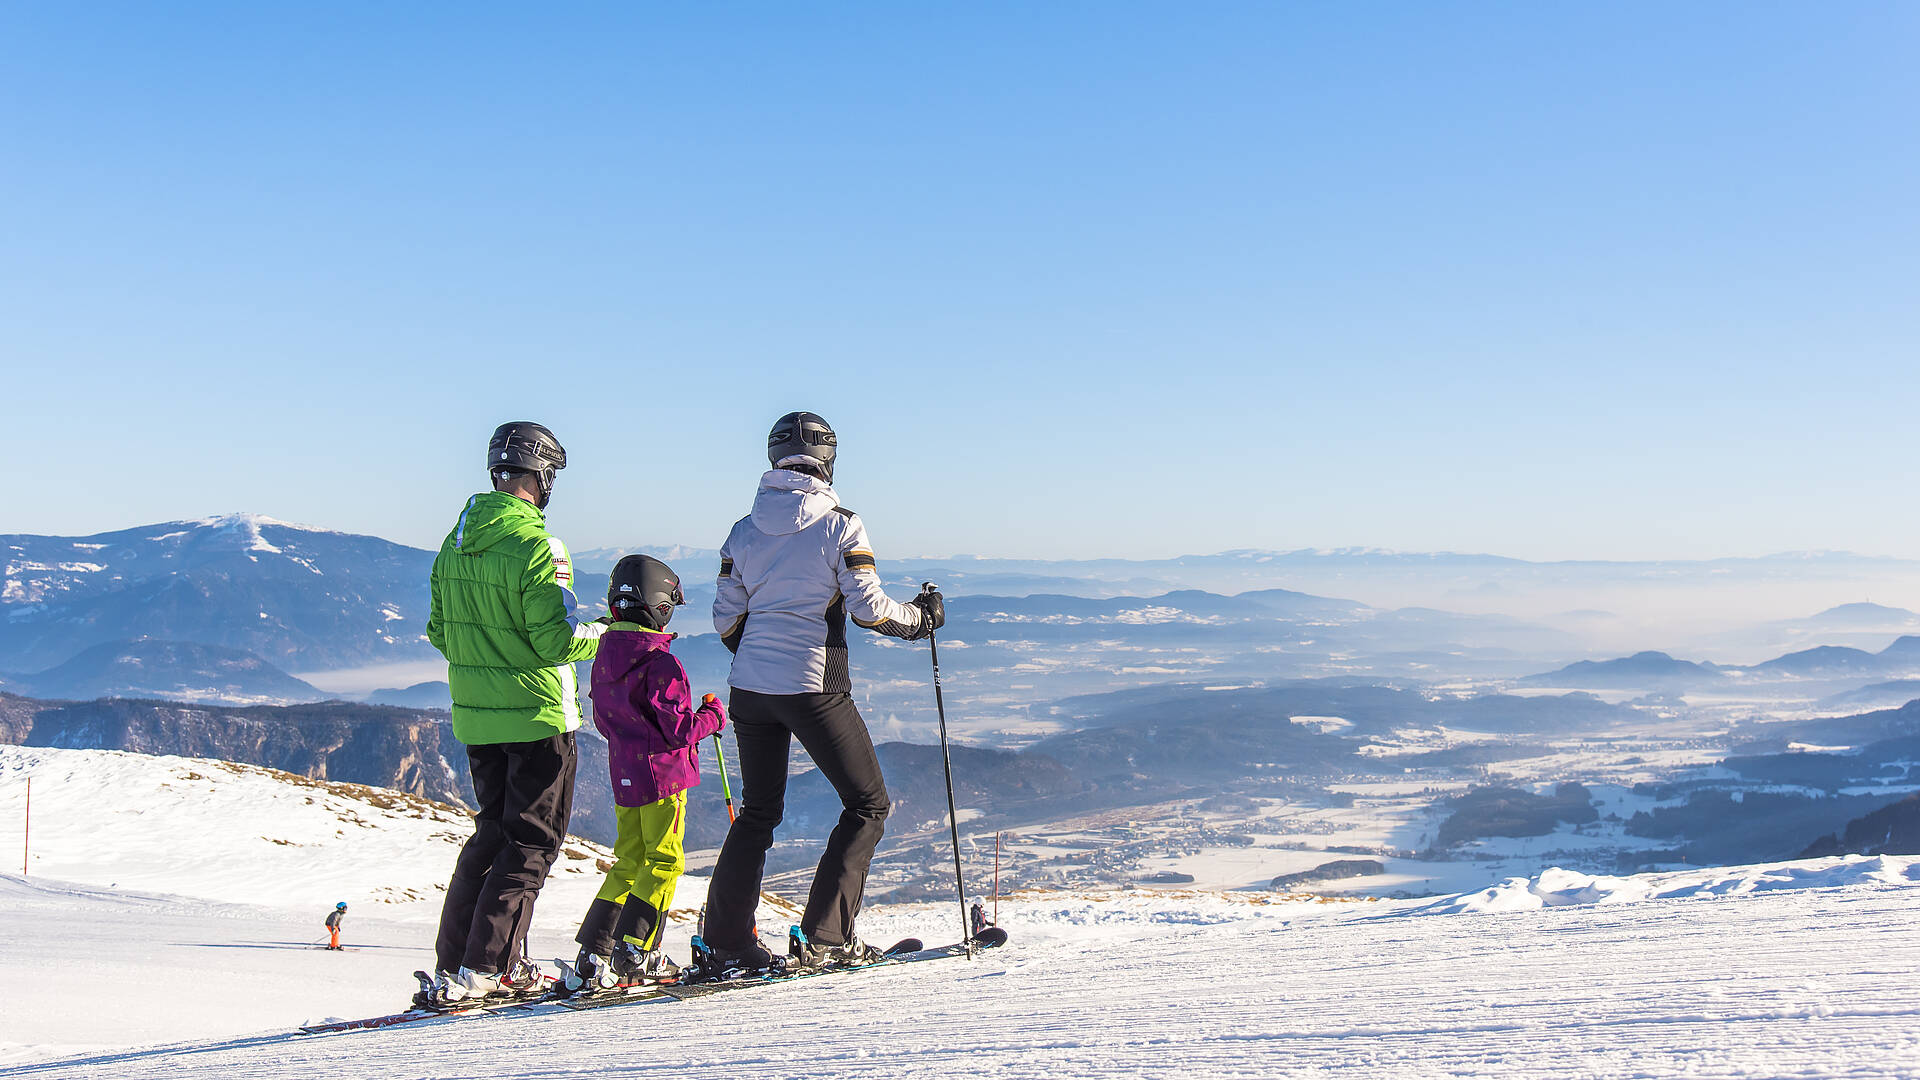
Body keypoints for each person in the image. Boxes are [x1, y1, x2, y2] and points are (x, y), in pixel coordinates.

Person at [703, 411, 945, 972]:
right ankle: (826, 938)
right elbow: (866, 610)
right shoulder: (842, 524)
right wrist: (922, 620)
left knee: (758, 813)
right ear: (828, 460)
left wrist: (757, 650)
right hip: (814, 684)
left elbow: (723, 619)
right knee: (868, 805)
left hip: (750, 690)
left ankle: (726, 941)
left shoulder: (742, 531)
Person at [424, 421, 605, 1003]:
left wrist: (486, 660)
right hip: (537, 718)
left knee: (489, 836)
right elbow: (555, 641)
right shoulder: (538, 546)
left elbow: (438, 630)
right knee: (530, 845)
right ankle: (491, 968)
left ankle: (457, 963)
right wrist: (601, 632)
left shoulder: (455, 543)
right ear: (542, 473)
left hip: (477, 718)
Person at [569, 554, 727, 991]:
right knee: (664, 860)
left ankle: (593, 952)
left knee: (629, 860)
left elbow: (602, 721)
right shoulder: (661, 663)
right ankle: (638, 949)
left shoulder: (605, 658)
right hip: (664, 778)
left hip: (624, 775)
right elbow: (679, 732)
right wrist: (712, 715)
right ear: (661, 606)